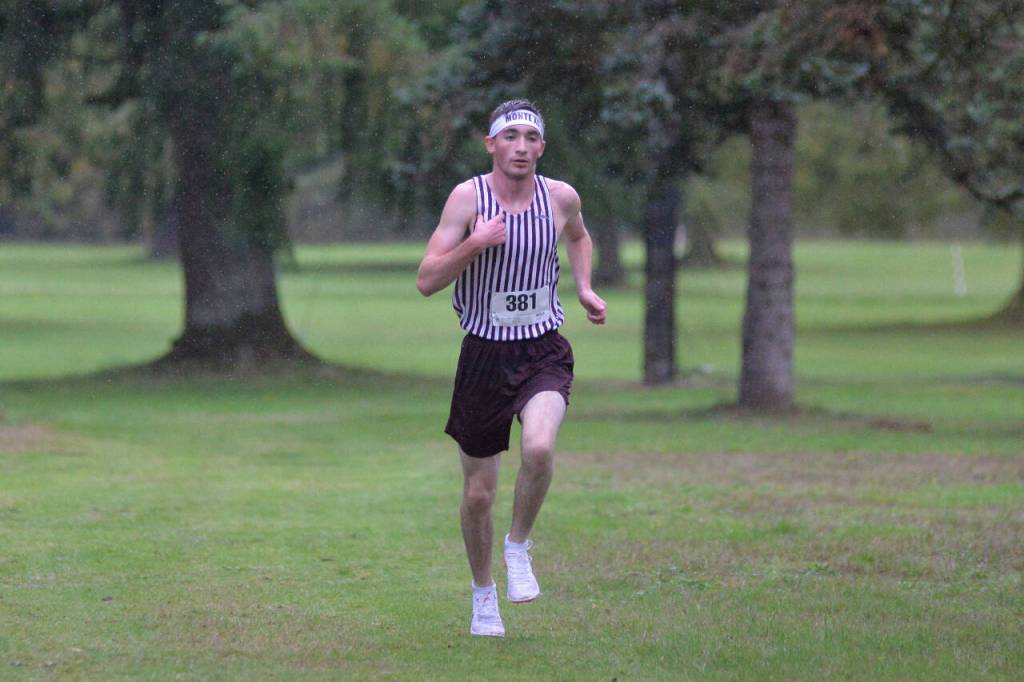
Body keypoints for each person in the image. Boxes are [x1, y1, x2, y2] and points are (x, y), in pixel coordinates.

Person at [416, 99, 607, 637]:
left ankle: (518, 546)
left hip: (543, 347)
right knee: (479, 494)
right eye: (510, 137)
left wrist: (585, 288)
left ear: (541, 147)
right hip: (483, 356)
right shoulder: (467, 198)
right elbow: (427, 279)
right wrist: (475, 243)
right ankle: (483, 594)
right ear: (492, 145)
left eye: (531, 137)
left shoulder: (561, 197)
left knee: (541, 447)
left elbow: (579, 235)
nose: (521, 147)